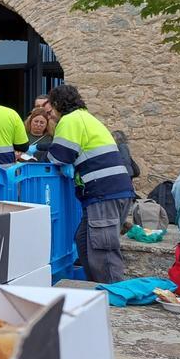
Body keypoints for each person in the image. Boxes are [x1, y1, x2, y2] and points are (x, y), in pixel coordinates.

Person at [46, 84, 135, 283]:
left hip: (103, 193)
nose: (50, 113)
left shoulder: (70, 120)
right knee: (84, 243)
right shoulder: (85, 118)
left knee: (103, 250)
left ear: (59, 104)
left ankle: (112, 296)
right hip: (110, 192)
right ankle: (98, 287)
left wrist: (40, 154)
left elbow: (59, 155)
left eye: (51, 107)